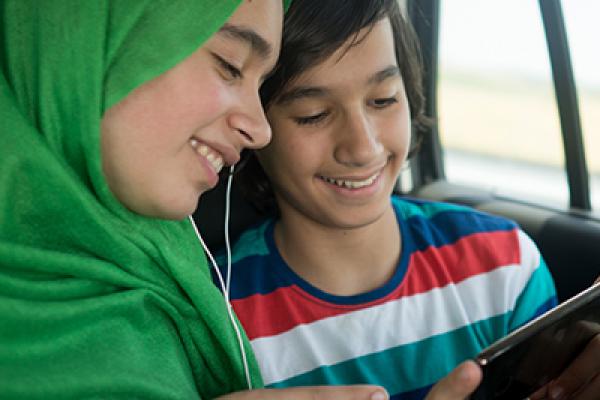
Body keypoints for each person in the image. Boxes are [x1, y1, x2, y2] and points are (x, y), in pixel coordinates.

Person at [0, 1, 392, 399]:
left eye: (384, 99)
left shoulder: (161, 266)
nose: (260, 131)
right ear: (85, 34)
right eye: (231, 65)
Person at [219, 0, 595, 398]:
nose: (363, 148)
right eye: (313, 114)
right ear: (252, 126)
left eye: (383, 100)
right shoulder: (221, 318)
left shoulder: (502, 265)